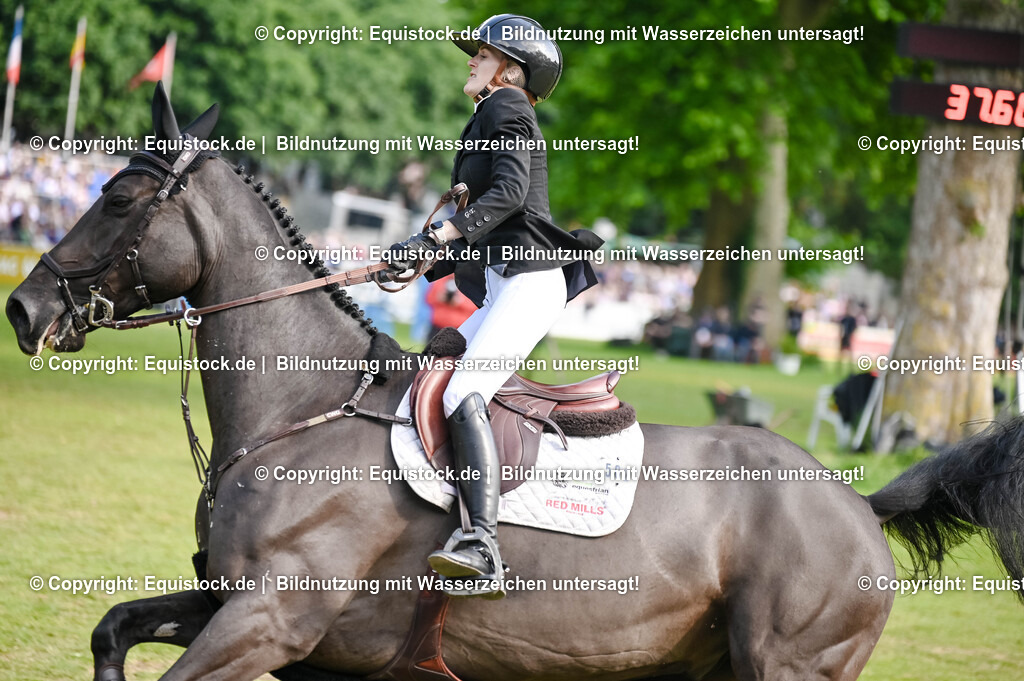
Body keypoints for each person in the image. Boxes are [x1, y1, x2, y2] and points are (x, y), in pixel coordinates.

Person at [383, 14, 603, 596]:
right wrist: (421, 258)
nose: (471, 60)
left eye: (482, 54)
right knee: (436, 373)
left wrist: (437, 236)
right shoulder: (492, 111)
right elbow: (491, 218)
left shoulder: (507, 106)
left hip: (530, 283)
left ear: (511, 70)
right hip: (509, 280)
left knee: (463, 391)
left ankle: (483, 545)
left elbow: (508, 194)